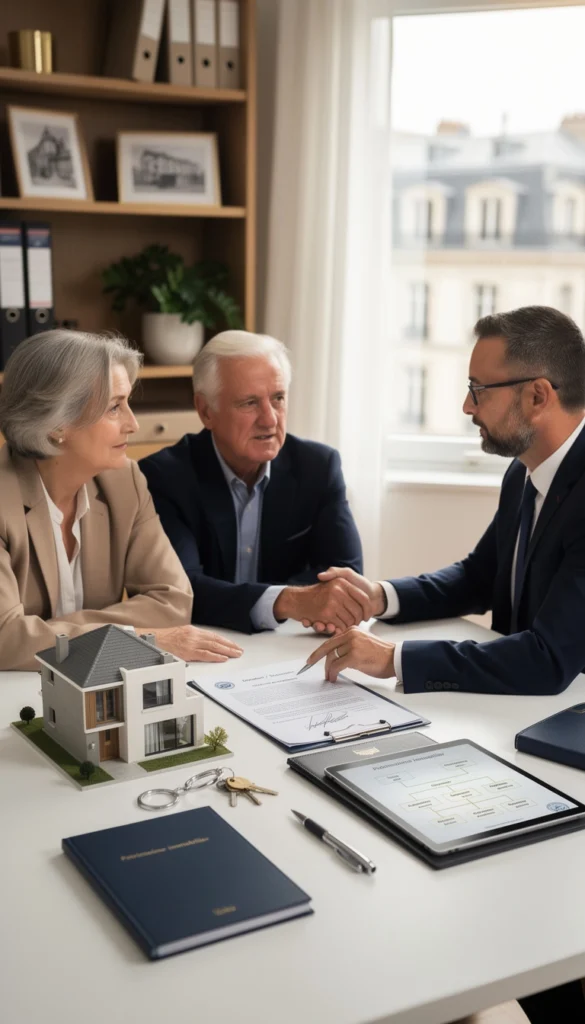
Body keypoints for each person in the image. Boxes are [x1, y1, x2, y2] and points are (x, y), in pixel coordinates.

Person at [306, 305, 585, 698]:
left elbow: (547, 659)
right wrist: (380, 596)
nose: (467, 406)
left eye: (479, 389)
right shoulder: (523, 472)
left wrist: (393, 659)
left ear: (537, 396)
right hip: (518, 711)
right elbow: (480, 578)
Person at [0, 330, 242, 671]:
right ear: (58, 422)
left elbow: (173, 602)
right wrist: (145, 638)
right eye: (115, 407)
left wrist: (49, 633)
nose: (132, 423)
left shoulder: (124, 481)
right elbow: (6, 640)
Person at [140, 330, 366, 634]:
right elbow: (183, 592)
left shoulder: (318, 467)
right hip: (205, 644)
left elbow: (346, 577)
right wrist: (288, 601)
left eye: (278, 398)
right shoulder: (164, 477)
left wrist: (295, 602)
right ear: (206, 411)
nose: (270, 419)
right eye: (249, 403)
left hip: (286, 645)